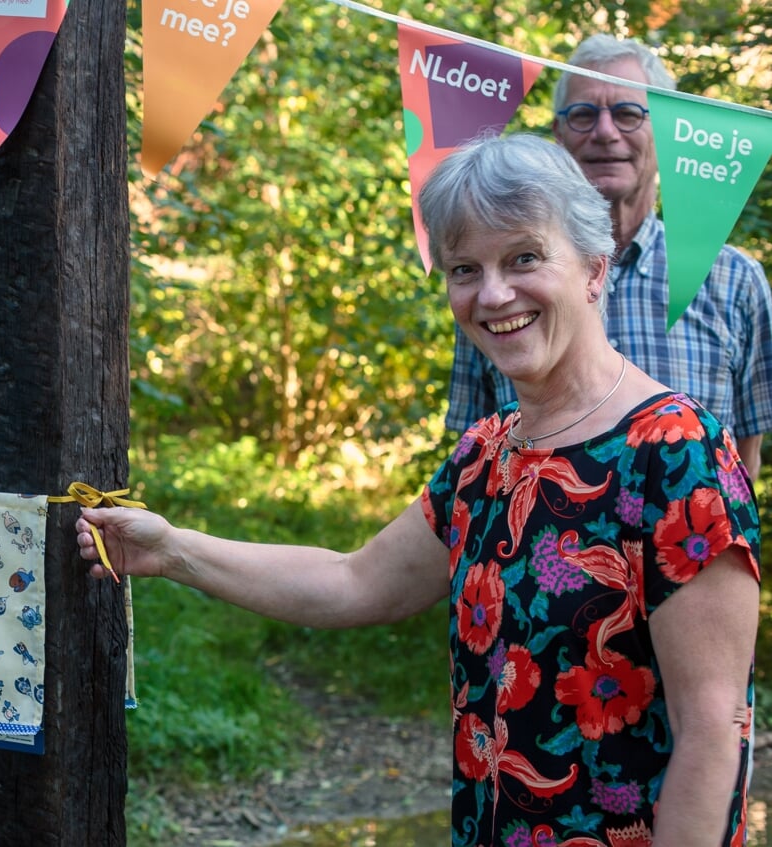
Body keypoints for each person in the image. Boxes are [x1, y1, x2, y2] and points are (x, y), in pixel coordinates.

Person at [78, 135, 759, 845]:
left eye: (523, 257)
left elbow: (713, 731)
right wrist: (171, 551)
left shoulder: (677, 453)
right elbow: (352, 580)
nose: (492, 294)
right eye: (465, 268)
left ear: (592, 268)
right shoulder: (486, 455)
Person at [446, 34, 772, 481]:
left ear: (666, 132)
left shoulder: (734, 280)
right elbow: (473, 459)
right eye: (582, 115)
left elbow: (746, 462)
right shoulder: (498, 292)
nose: (604, 131)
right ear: (559, 134)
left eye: (627, 113)